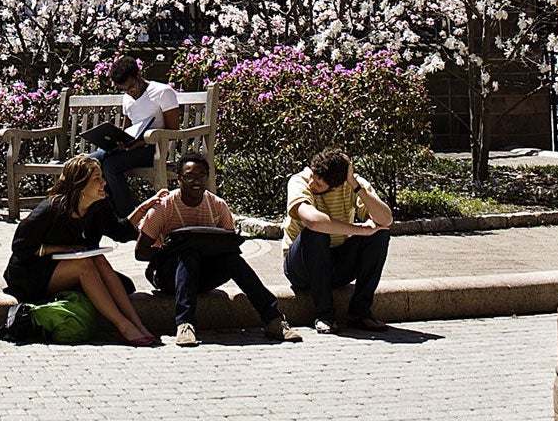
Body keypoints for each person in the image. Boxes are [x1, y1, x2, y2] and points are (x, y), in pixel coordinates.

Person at [130, 152, 297, 346]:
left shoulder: (217, 206)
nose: (196, 181)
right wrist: (169, 250)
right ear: (179, 179)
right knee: (189, 254)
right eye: (190, 176)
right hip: (168, 276)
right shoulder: (164, 207)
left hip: (203, 275)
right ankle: (184, 324)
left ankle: (273, 319)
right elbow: (140, 252)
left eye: (201, 176)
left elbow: (230, 247)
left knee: (233, 260)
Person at [4, 155, 162, 346]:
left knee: (100, 260)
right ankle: (124, 327)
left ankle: (138, 324)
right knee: (84, 264)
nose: (104, 182)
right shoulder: (51, 209)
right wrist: (61, 249)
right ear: (80, 186)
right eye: (97, 179)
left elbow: (121, 231)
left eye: (102, 177)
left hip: (70, 267)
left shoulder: (99, 205)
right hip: (32, 272)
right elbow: (20, 247)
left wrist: (146, 207)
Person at [282, 144, 394, 333]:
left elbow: (386, 219)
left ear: (335, 185)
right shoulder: (299, 180)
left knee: (380, 233)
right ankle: (324, 314)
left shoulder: (351, 184)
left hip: (337, 264)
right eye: (313, 178)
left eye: (318, 184)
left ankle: (361, 313)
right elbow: (313, 221)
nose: (312, 185)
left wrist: (356, 186)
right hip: (301, 267)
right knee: (315, 232)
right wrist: (360, 229)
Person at [95, 54, 183, 212]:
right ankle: (106, 213)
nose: (129, 92)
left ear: (139, 75)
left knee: (110, 166)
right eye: (123, 90)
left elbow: (173, 130)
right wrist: (120, 142)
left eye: (131, 87)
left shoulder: (162, 92)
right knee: (90, 162)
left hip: (155, 149)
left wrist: (141, 142)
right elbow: (127, 128)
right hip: (132, 148)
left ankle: (128, 217)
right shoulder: (127, 98)